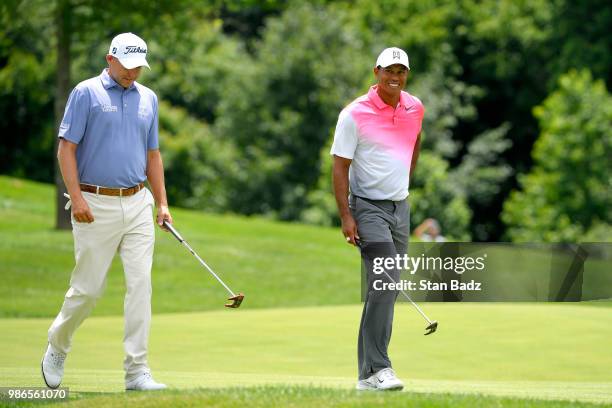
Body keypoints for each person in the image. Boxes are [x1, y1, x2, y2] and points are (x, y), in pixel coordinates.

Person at [42, 32, 172, 391]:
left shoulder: (149, 99)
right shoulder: (86, 93)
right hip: (93, 204)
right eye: (128, 66)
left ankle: (137, 372)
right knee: (87, 290)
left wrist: (161, 202)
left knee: (140, 285)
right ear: (110, 58)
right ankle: (58, 342)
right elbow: (66, 149)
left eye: (138, 67)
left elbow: (153, 155)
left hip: (137, 202)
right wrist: (77, 198)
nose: (133, 73)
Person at [331, 47, 424, 391]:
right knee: (385, 282)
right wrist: (346, 215)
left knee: (385, 288)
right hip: (367, 207)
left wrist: (404, 181)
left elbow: (415, 143)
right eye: (389, 70)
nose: (394, 77)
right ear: (376, 71)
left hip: (400, 208)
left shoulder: (415, 107)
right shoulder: (354, 114)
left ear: (406, 74)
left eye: (401, 71)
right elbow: (339, 166)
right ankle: (379, 368)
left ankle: (365, 377)